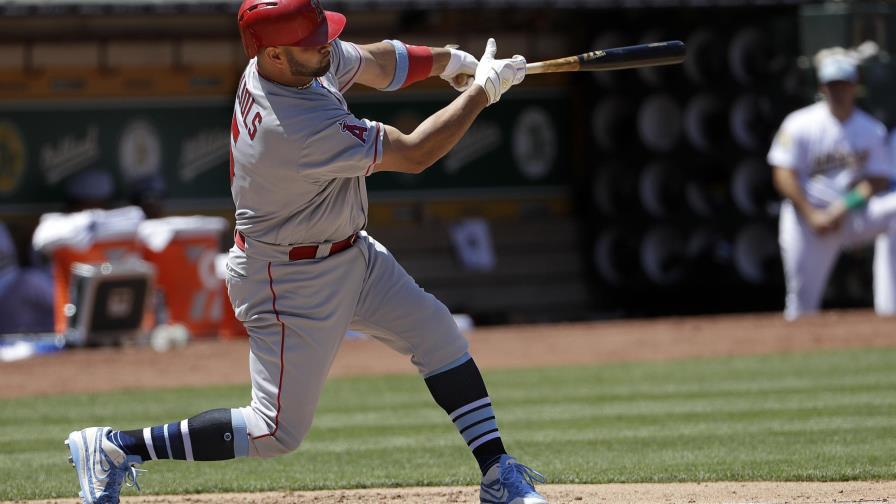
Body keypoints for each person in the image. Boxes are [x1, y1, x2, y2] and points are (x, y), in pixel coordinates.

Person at [65, 1, 547, 503]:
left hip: (350, 254)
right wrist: (481, 93)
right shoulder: (291, 126)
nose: (325, 44)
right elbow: (416, 152)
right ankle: (116, 447)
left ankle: (497, 474)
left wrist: (449, 61)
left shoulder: (291, 63)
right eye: (312, 40)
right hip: (288, 277)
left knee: (438, 333)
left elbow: (374, 61)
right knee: (274, 432)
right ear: (274, 53)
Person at [768, 53, 896, 320]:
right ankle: (799, 348)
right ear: (822, 87)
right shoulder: (799, 123)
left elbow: (879, 179)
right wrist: (812, 214)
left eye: (844, 84)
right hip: (807, 218)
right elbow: (782, 174)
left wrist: (842, 208)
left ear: (855, 87)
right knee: (802, 307)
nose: (838, 91)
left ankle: (890, 311)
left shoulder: (871, 129)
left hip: (852, 213)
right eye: (832, 85)